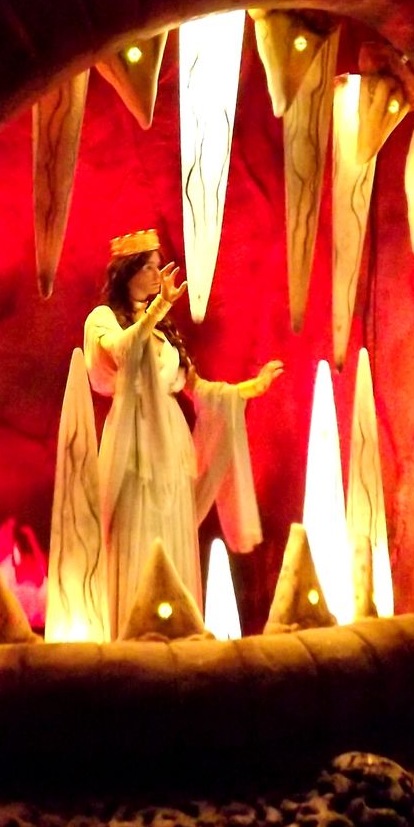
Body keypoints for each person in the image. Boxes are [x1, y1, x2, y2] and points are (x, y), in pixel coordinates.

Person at [83, 228, 283, 627]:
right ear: (127, 272)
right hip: (134, 440)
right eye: (149, 267)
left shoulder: (161, 330)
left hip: (170, 443)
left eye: (158, 267)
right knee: (137, 527)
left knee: (171, 525)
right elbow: (122, 351)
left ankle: (175, 623)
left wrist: (249, 389)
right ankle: (134, 625)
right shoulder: (103, 319)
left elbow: (196, 388)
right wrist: (158, 307)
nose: (157, 275)